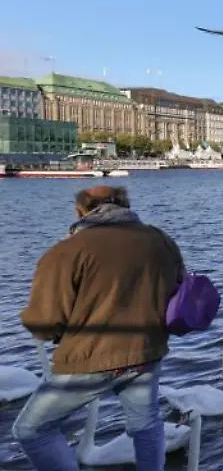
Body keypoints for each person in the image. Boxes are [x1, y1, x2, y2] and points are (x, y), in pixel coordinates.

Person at [13, 185, 184, 471]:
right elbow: (178, 292)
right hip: (147, 351)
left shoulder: (67, 251)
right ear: (125, 206)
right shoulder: (161, 240)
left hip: (91, 357)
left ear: (80, 211)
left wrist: (52, 334)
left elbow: (44, 321)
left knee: (32, 430)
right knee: (146, 424)